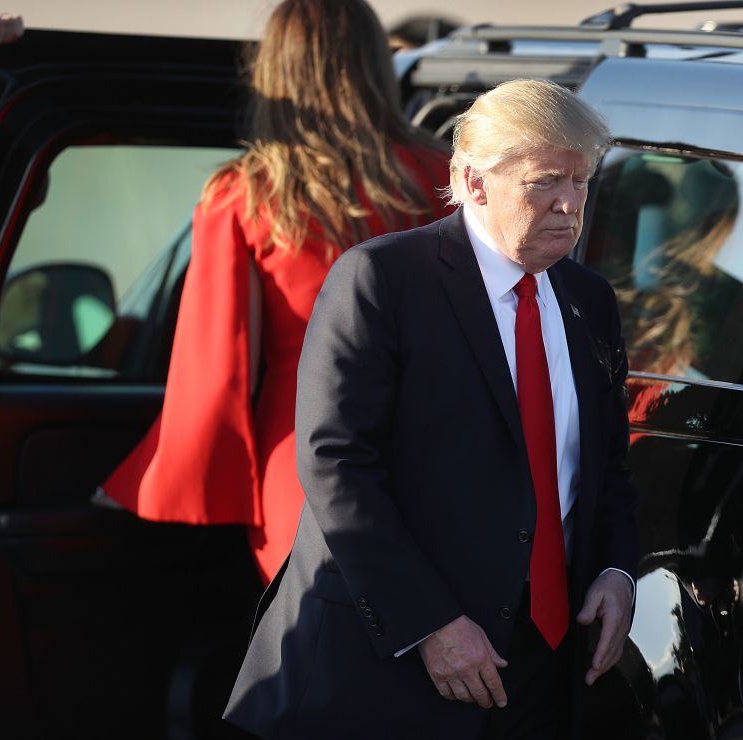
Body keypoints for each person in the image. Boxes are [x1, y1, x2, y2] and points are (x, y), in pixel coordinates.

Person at [224, 79, 639, 739]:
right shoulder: (383, 280)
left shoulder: (589, 299)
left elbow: (606, 466)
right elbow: (336, 465)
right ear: (476, 184)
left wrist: (617, 572)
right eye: (544, 183)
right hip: (391, 669)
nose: (569, 204)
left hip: (540, 667)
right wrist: (428, 624)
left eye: (581, 181)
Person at [100, 0, 451, 585]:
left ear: (275, 72)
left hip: (305, 468)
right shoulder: (447, 176)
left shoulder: (245, 197)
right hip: (440, 456)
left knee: (317, 657)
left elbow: (215, 378)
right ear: (373, 63)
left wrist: (147, 478)